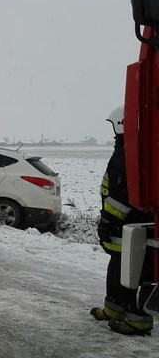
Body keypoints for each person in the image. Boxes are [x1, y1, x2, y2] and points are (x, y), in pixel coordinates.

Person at [90, 106, 154, 336]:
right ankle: (115, 308)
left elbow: (124, 193)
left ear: (121, 124)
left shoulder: (129, 151)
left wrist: (108, 219)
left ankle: (138, 320)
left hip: (126, 224)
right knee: (118, 266)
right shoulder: (128, 149)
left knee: (133, 271)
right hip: (123, 224)